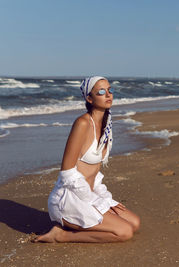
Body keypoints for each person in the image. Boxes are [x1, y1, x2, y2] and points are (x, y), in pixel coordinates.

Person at [34, 76, 140, 243]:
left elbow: (94, 172)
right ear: (89, 98)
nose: (108, 95)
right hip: (70, 199)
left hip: (89, 195)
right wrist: (96, 202)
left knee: (135, 223)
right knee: (125, 232)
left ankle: (74, 225)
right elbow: (67, 172)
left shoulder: (107, 125)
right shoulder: (82, 123)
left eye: (110, 90)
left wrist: (105, 199)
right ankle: (61, 235)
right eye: (101, 92)